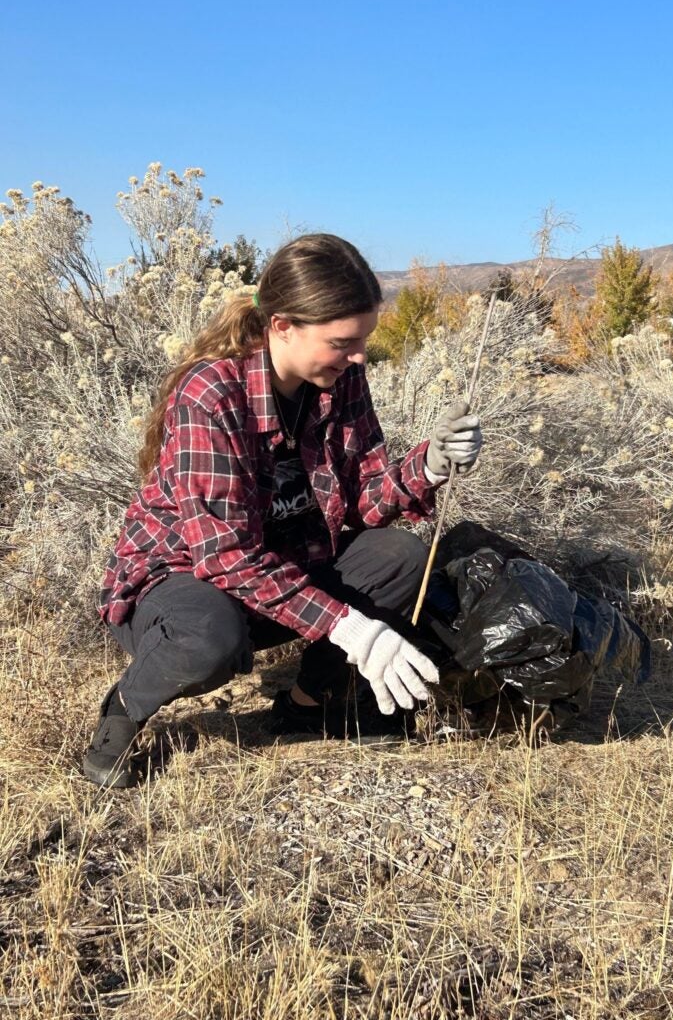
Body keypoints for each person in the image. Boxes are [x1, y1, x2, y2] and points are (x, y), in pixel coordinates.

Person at [83, 234, 483, 788]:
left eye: (364, 340)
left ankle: (306, 702)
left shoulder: (340, 380)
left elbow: (367, 501)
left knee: (400, 556)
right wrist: (353, 630)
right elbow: (225, 558)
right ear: (283, 326)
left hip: (283, 569)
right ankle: (125, 707)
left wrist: (432, 465)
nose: (360, 356)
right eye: (343, 342)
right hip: (180, 586)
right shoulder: (212, 394)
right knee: (210, 636)